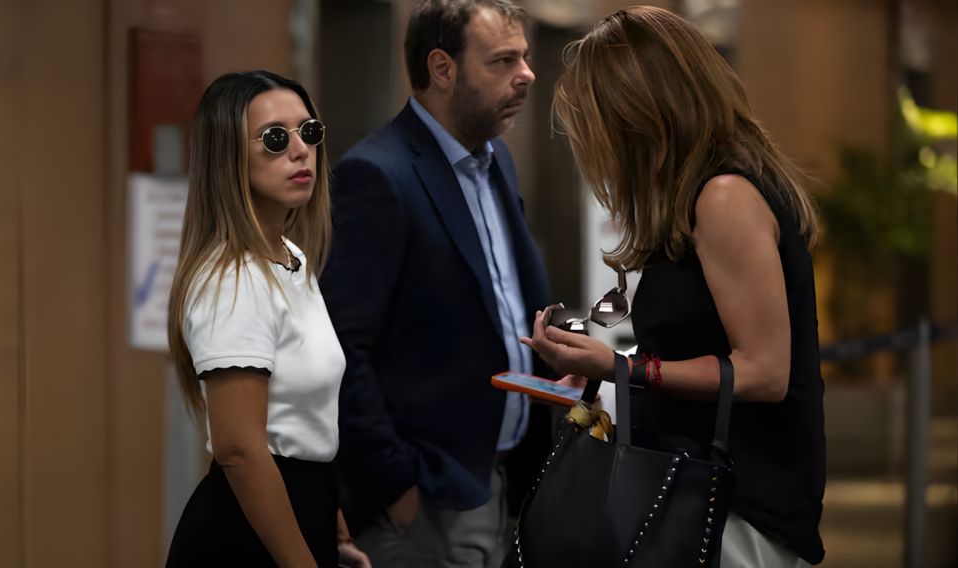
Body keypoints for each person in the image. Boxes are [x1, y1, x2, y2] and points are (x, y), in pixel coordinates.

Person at [522, 7, 826, 567]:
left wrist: (622, 369)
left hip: (733, 506)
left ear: (639, 117)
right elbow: (700, 345)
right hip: (704, 493)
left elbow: (764, 372)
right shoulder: (704, 194)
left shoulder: (724, 196)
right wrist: (607, 379)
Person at [318, 1, 552, 566]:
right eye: (503, 61)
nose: (527, 74)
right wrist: (397, 486)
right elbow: (342, 348)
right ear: (443, 68)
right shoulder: (378, 175)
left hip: (504, 482)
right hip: (428, 498)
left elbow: (499, 305)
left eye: (524, 57)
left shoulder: (495, 161)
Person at [165, 70, 370, 567]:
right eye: (276, 139)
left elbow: (300, 419)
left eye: (309, 132)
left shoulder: (289, 257)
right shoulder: (232, 280)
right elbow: (240, 450)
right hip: (244, 535)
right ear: (229, 158)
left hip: (302, 501)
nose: (301, 151)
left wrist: (330, 520)